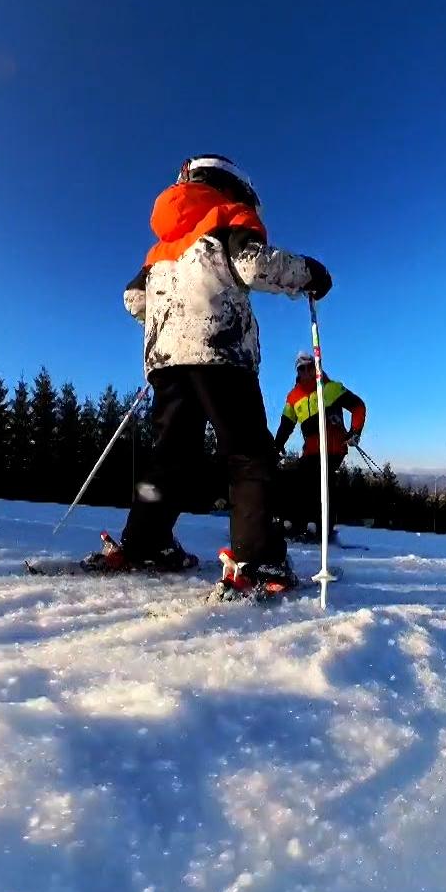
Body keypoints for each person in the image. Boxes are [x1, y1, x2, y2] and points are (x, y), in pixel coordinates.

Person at [100, 154, 331, 596]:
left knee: (169, 456)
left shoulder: (161, 245)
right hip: (220, 348)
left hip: (167, 360)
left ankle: (144, 543)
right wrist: (309, 273)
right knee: (247, 454)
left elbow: (134, 299)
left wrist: (172, 317)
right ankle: (258, 559)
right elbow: (253, 265)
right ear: (233, 185)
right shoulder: (226, 214)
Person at [273, 352, 366, 543]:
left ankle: (321, 527)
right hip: (312, 450)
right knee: (295, 479)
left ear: (317, 368)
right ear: (297, 372)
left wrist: (355, 431)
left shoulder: (330, 388)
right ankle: (293, 523)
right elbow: (286, 425)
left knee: (318, 479)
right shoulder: (294, 397)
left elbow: (358, 406)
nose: (306, 371)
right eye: (302, 368)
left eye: (310, 367)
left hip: (333, 447)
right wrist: (277, 445)